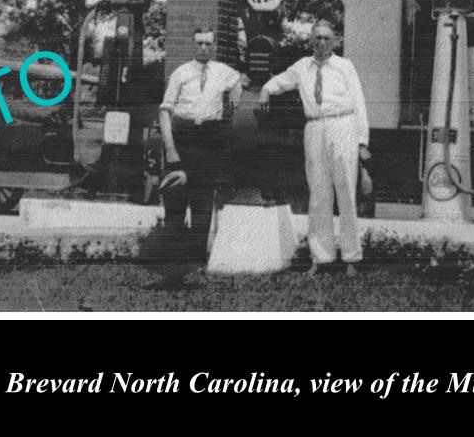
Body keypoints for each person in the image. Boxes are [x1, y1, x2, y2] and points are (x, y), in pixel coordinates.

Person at [259, 20, 370, 276]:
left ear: (334, 42)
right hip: (314, 128)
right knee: (318, 194)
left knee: (346, 193)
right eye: (317, 38)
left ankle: (352, 256)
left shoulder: (345, 67)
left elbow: (359, 103)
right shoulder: (302, 67)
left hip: (342, 125)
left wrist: (362, 141)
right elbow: (281, 81)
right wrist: (265, 90)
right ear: (311, 40)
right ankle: (322, 257)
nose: (321, 43)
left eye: (326, 38)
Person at [155, 27, 243, 282]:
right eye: (200, 44)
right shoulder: (180, 73)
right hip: (183, 137)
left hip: (210, 140)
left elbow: (238, 80)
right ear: (193, 45)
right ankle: (171, 269)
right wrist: (170, 148)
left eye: (208, 44)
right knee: (175, 203)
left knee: (203, 205)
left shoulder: (222, 71)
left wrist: (235, 94)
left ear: (213, 46)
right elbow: (165, 112)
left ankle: (195, 267)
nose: (204, 48)